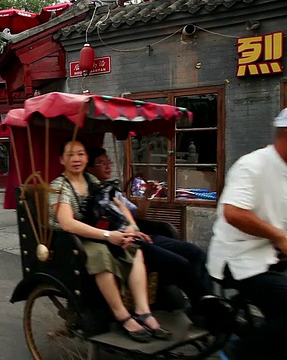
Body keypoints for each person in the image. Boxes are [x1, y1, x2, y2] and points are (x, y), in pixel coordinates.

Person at [50, 140, 170, 343]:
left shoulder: (91, 180)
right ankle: (121, 314)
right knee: (100, 253)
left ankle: (143, 311)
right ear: (62, 160)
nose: (76, 159)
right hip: (71, 240)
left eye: (80, 154)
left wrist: (130, 226)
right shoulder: (59, 186)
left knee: (135, 249)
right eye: (70, 155)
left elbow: (117, 202)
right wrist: (107, 236)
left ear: (86, 158)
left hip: (99, 231)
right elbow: (68, 223)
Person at [85, 147, 212, 315]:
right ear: (90, 169)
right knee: (181, 264)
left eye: (108, 162)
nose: (108, 166)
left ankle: (207, 304)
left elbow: (138, 215)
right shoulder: (92, 196)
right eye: (101, 163)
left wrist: (147, 195)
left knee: (195, 253)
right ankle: (205, 311)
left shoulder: (112, 190)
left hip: (141, 234)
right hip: (125, 242)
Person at [207, 109, 287, 360]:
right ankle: (237, 353)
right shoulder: (253, 165)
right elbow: (233, 212)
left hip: (272, 256)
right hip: (239, 259)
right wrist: (278, 236)